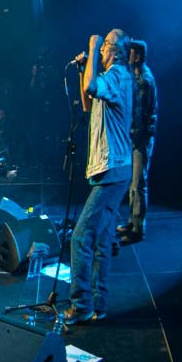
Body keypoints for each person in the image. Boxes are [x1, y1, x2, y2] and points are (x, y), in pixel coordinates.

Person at [64, 30, 134, 327]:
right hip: (110, 170)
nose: (101, 47)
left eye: (105, 44)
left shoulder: (118, 75)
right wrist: (84, 67)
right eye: (101, 43)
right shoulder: (111, 79)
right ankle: (98, 305)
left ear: (115, 50)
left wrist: (91, 48)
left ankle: (81, 305)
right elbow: (87, 103)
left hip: (113, 170)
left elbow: (92, 86)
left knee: (80, 238)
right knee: (103, 240)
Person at [117, 38, 156, 244]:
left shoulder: (143, 81)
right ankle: (132, 222)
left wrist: (131, 139)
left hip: (140, 139)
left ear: (137, 56)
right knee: (134, 183)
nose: (127, 56)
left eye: (130, 53)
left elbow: (140, 117)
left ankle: (137, 228)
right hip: (137, 138)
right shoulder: (137, 77)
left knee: (139, 183)